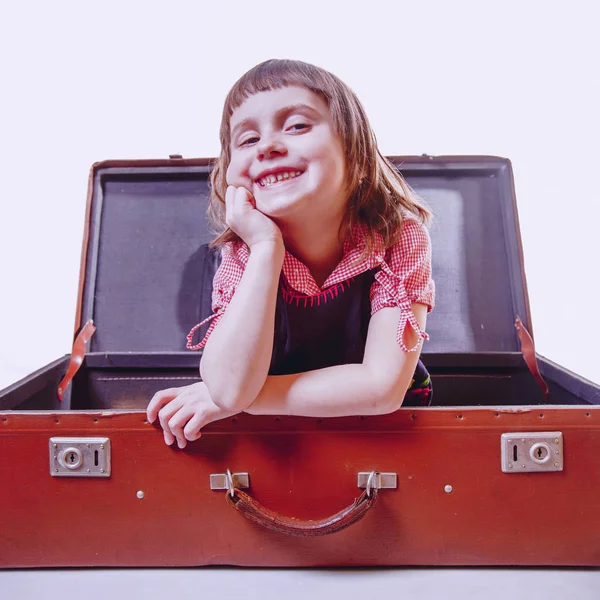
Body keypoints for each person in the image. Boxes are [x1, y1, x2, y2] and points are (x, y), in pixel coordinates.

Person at [147, 59, 435, 449]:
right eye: (247, 140)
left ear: (355, 152)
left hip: (385, 429)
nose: (267, 146)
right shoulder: (244, 251)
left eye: (297, 125)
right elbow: (230, 386)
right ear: (232, 173)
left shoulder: (398, 238)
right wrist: (266, 248)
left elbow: (381, 389)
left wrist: (239, 400)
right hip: (278, 439)